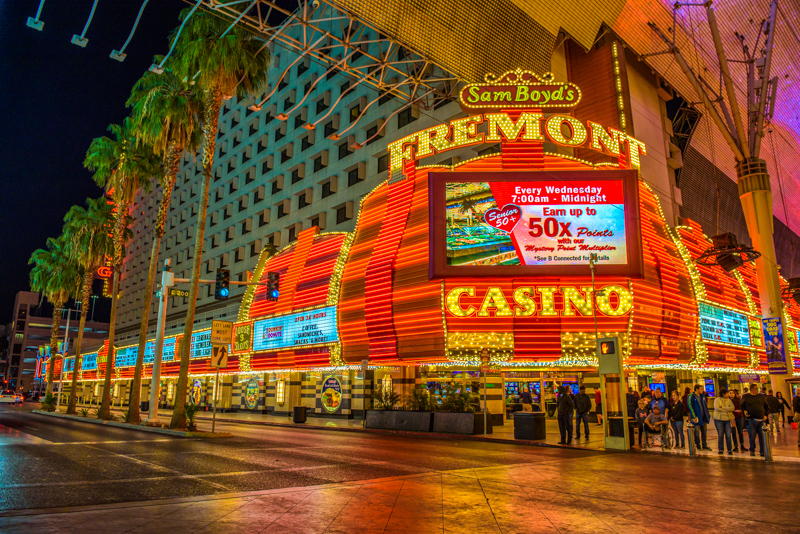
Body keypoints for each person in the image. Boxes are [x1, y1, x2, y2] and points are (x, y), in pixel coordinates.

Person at [740, 383, 770, 456]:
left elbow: (767, 407)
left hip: (761, 419)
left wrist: (766, 415)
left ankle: (762, 451)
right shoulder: (746, 397)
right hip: (751, 419)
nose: (757, 390)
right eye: (755, 389)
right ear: (751, 389)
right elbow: (741, 405)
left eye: (757, 389)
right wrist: (744, 411)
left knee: (762, 436)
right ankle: (752, 449)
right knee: (752, 435)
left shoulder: (761, 397)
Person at [688, 384, 711, 451]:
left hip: (703, 417)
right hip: (696, 417)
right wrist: (693, 416)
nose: (702, 390)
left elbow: (705, 406)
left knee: (704, 431)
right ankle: (698, 445)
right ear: (696, 389)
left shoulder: (702, 396)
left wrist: (707, 415)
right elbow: (690, 406)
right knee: (697, 432)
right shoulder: (691, 396)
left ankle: (704, 445)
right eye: (701, 389)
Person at [713, 388, 735, 454]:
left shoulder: (729, 400)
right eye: (727, 393)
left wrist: (722, 408)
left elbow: (732, 408)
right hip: (719, 419)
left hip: (728, 419)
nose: (728, 394)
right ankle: (720, 449)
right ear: (723, 394)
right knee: (720, 434)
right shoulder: (717, 400)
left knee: (728, 434)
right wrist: (727, 409)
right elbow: (717, 408)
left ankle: (729, 449)